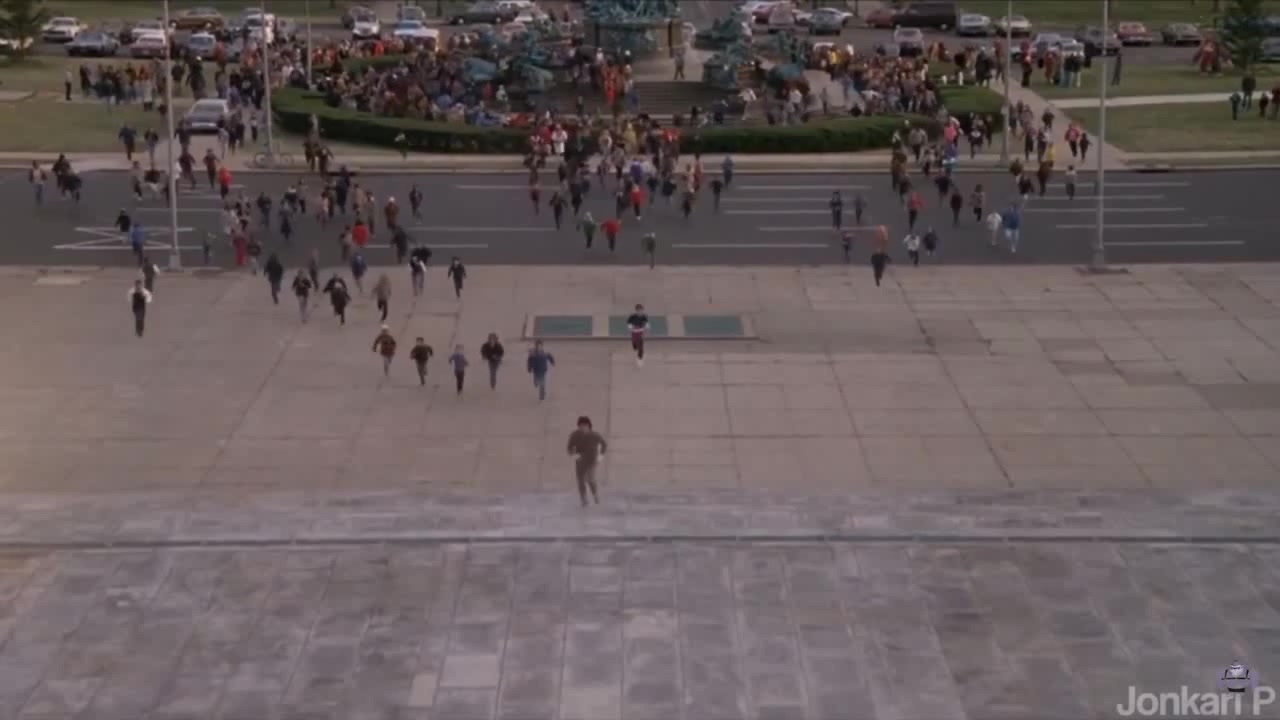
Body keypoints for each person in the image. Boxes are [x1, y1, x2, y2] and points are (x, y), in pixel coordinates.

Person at [566, 416, 607, 507]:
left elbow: (604, 444)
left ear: (589, 426)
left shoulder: (595, 435)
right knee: (580, 480)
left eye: (585, 426)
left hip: (592, 460)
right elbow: (569, 448)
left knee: (590, 479)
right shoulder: (575, 435)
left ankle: (595, 494)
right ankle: (584, 498)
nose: (583, 428)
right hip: (580, 461)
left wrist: (600, 457)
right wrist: (573, 454)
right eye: (580, 426)